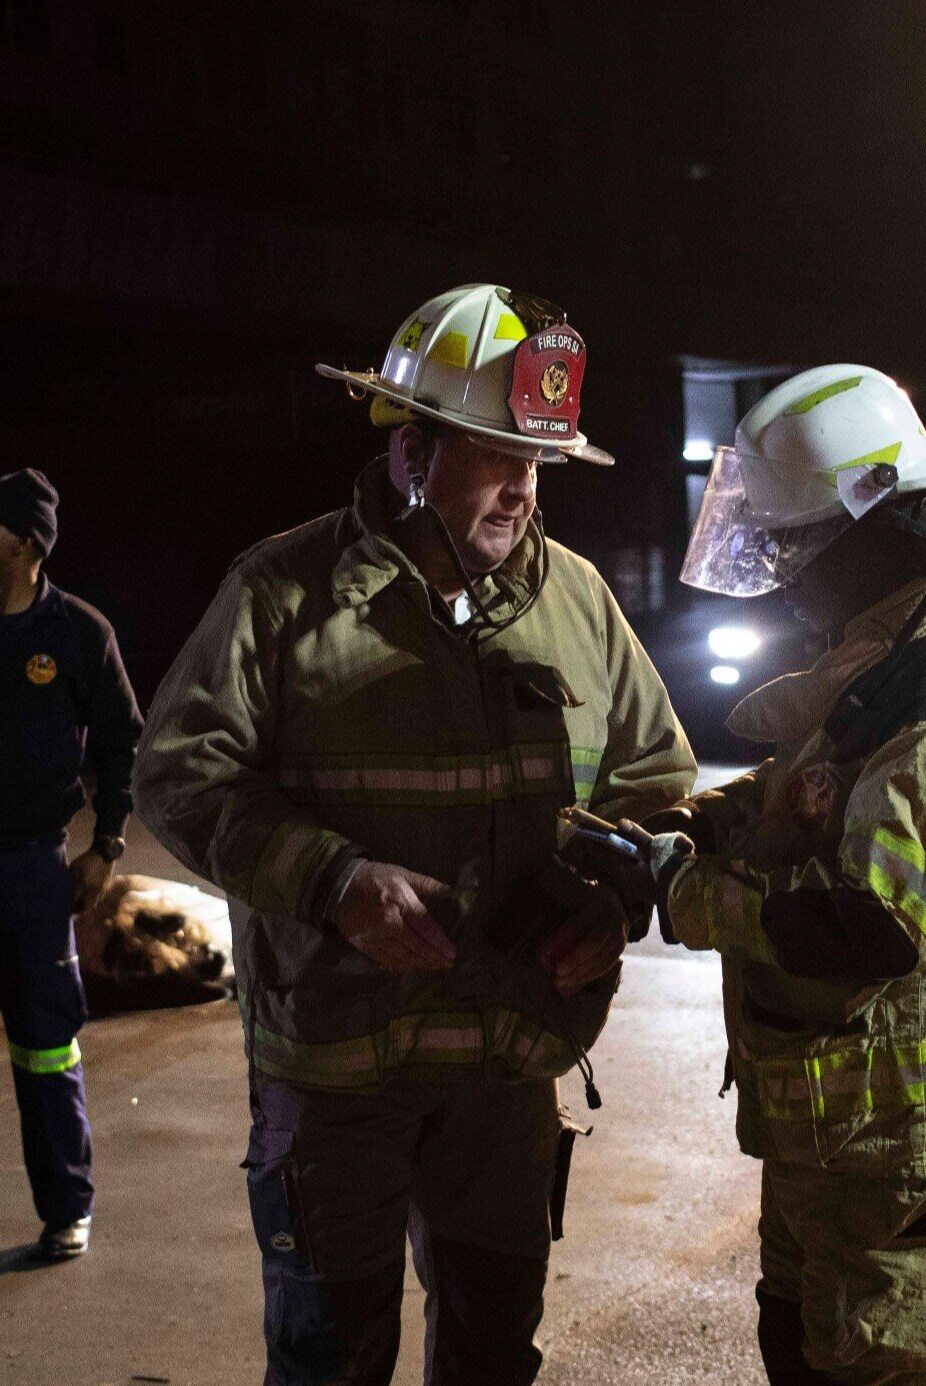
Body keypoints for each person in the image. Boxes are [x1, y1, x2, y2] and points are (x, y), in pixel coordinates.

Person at [133, 284, 695, 1385]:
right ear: (412, 453)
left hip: (507, 1078)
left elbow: (659, 778)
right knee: (327, 1360)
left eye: (540, 462)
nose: (526, 490)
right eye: (499, 455)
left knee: (491, 1357)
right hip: (338, 1076)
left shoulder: (578, 602)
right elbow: (179, 771)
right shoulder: (283, 594)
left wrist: (610, 898)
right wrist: (331, 881)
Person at [647, 363, 926, 1383]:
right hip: (844, 1155)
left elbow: (872, 919)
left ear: (864, 528)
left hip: (911, 1179)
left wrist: (684, 893)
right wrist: (705, 819)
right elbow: (817, 791)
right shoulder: (883, 649)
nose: (780, 566)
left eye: (795, 542)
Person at [0, 468, 141, 1260]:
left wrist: (108, 845)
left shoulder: (78, 634)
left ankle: (66, 1208)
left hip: (30, 869)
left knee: (44, 1044)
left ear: (25, 543)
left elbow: (124, 741)